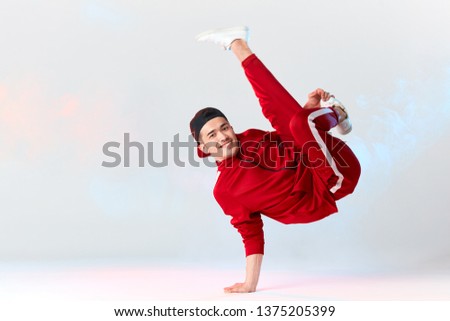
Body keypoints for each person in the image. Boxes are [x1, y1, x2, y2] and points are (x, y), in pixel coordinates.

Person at [190, 27, 361, 293]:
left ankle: (238, 44)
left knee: (281, 113)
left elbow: (294, 139)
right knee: (297, 121)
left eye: (225, 127)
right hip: (329, 185)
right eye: (213, 134)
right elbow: (251, 232)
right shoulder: (226, 190)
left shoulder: (250, 138)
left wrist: (305, 112)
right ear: (203, 148)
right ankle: (335, 114)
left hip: (331, 162)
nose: (223, 136)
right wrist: (250, 283)